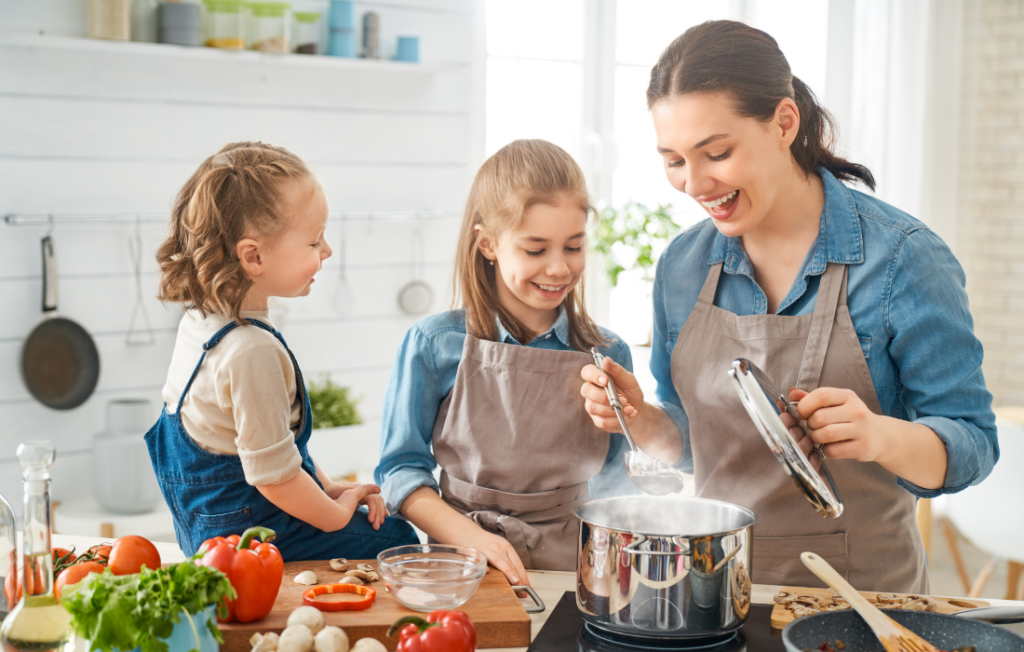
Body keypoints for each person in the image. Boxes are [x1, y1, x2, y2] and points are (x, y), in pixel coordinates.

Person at [580, 21, 997, 593]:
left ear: (783, 122)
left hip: (861, 600)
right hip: (715, 591)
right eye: (674, 160)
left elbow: (973, 446)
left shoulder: (902, 258)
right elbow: (695, 443)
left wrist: (879, 436)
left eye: (717, 153)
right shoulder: (682, 266)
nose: (694, 184)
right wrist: (645, 422)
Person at [375, 139, 637, 585]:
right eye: (536, 250)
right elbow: (400, 472)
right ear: (488, 244)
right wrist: (471, 538)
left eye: (573, 247)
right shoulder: (433, 343)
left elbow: (620, 480)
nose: (558, 269)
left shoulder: (608, 352)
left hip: (576, 564)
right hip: (460, 561)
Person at [147, 141, 418, 560]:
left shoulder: (200, 322)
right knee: (398, 540)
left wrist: (327, 487)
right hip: (251, 539)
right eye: (314, 241)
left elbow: (271, 445)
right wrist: (336, 512)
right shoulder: (250, 350)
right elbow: (273, 478)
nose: (326, 251)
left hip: (204, 530)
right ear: (253, 256)